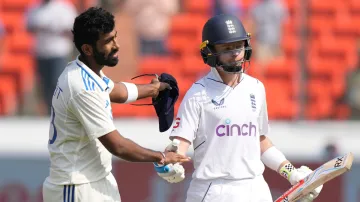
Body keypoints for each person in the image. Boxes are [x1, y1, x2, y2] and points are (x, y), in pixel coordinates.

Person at [154, 14, 322, 202]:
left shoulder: (256, 87)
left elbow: (260, 140)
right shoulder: (198, 94)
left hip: (256, 188)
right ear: (209, 52)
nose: (235, 53)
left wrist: (291, 173)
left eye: (238, 46)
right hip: (213, 190)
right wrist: (170, 162)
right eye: (226, 48)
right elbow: (180, 143)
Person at [42, 7, 190, 202]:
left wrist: (153, 89)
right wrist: (161, 156)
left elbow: (115, 91)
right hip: (75, 186)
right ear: (87, 49)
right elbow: (117, 146)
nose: (117, 45)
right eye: (108, 41)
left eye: (115, 37)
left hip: (95, 180)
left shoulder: (85, 71)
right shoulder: (81, 86)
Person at [26, 0, 77, 114]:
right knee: (44, 86)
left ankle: (62, 113)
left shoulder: (64, 7)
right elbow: (28, 26)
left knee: (57, 83)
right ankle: (50, 113)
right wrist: (40, 28)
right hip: (41, 52)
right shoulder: (34, 8)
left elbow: (73, 30)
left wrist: (54, 29)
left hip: (58, 52)